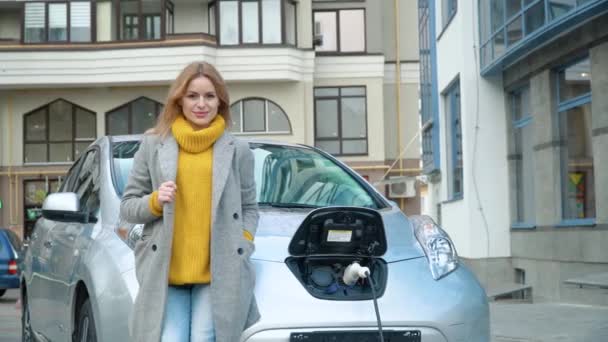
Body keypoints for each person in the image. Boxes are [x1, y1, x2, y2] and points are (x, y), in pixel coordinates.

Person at [120, 61, 260, 342]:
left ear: (220, 101)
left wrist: (242, 240)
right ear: (179, 100)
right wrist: (155, 201)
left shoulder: (238, 150)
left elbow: (249, 207)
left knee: (204, 337)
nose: (201, 104)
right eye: (192, 96)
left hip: (219, 271)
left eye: (209, 96)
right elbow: (127, 207)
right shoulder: (153, 145)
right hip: (165, 271)